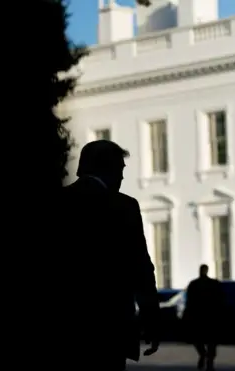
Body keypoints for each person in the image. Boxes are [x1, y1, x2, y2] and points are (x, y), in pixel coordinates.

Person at [59, 140, 160, 371]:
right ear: (110, 168)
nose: (123, 178)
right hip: (111, 326)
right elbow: (141, 268)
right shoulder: (124, 206)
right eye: (121, 170)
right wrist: (151, 319)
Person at [182, 264, 225, 371]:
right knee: (209, 341)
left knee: (200, 339)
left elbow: (189, 301)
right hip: (208, 316)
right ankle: (208, 359)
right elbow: (220, 300)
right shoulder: (213, 284)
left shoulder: (195, 284)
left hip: (201, 316)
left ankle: (205, 357)